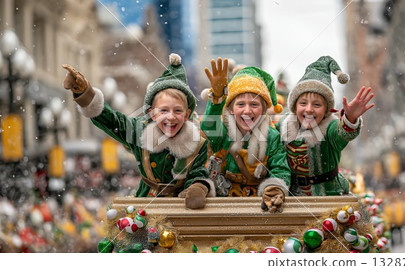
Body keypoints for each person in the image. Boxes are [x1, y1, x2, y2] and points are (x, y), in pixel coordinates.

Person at [62, 53, 214, 209]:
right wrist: (86, 93)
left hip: (180, 208)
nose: (171, 117)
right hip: (144, 206)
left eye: (177, 111)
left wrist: (198, 188)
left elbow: (197, 174)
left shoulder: (198, 144)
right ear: (152, 113)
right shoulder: (139, 131)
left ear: (187, 114)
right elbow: (112, 120)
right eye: (163, 110)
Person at [201, 57, 290, 213]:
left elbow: (280, 169)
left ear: (263, 111)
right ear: (230, 109)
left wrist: (275, 189)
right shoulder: (222, 133)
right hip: (224, 208)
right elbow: (208, 126)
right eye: (240, 104)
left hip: (260, 207)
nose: (247, 110)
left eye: (254, 104)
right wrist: (216, 98)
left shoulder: (272, 137)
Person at [277, 56, 374, 196]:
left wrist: (350, 118)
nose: (309, 109)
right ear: (294, 106)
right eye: (303, 103)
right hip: (293, 197)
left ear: (327, 110)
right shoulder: (281, 125)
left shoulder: (330, 127)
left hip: (330, 194)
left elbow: (342, 134)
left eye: (317, 105)